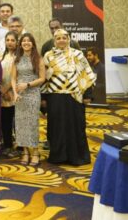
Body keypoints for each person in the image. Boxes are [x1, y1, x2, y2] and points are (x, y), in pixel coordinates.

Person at [43, 29, 96, 166]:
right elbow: (44, 78)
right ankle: (58, 156)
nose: (61, 40)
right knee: (57, 126)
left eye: (64, 38)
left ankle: (77, 156)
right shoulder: (48, 56)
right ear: (54, 40)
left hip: (75, 96)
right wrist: (43, 98)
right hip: (55, 96)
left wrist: (87, 95)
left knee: (76, 126)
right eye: (58, 38)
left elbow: (86, 74)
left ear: (68, 39)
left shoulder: (77, 54)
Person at [12, 33, 46, 166]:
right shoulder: (17, 59)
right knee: (21, 124)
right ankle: (25, 152)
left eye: (29, 41)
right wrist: (15, 93)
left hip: (33, 93)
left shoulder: (38, 58)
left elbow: (42, 78)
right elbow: (13, 78)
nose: (26, 43)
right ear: (20, 44)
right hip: (20, 95)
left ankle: (35, 152)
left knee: (32, 123)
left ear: (33, 44)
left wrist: (27, 84)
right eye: (24, 41)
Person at [0, 31, 19, 158]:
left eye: (12, 40)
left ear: (17, 42)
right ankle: (7, 145)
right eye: (8, 40)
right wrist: (2, 90)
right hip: (2, 93)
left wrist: (7, 90)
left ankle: (20, 146)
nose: (10, 43)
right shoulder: (1, 56)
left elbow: (17, 76)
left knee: (17, 121)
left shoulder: (20, 57)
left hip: (15, 92)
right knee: (5, 121)